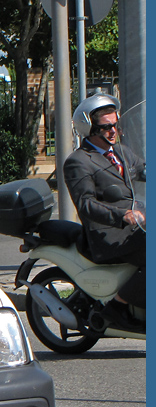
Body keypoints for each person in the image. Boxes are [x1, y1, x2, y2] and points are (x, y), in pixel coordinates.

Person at [63, 93, 146, 332]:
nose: (113, 131)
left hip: (136, 228)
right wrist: (122, 216)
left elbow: (143, 169)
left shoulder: (121, 152)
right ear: (89, 128)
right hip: (108, 235)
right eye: (106, 127)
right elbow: (85, 204)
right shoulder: (79, 162)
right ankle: (116, 308)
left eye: (115, 125)